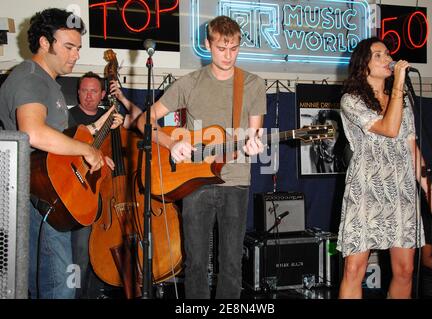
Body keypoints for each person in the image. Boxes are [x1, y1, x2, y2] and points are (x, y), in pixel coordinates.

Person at [135, 15, 266, 299]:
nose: (228, 55)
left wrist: (253, 145)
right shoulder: (190, 83)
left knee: (231, 264)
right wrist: (170, 143)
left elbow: (254, 135)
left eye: (233, 48)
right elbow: (145, 121)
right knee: (195, 263)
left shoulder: (253, 84)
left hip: (235, 180)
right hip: (194, 181)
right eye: (221, 48)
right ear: (207, 44)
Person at [0, 8, 119, 299]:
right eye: (68, 47)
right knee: (60, 287)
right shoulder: (31, 78)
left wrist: (96, 140)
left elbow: (60, 145)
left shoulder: (49, 84)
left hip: (50, 196)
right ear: (44, 42)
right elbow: (35, 133)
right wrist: (87, 150)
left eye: (78, 48)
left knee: (49, 284)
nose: (76, 55)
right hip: (34, 198)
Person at [336, 37, 432, 299]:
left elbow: (411, 148)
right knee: (354, 269)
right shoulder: (351, 100)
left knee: (405, 269)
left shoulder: (403, 101)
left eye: (388, 54)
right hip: (366, 190)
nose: (388, 59)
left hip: (402, 190)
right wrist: (398, 83)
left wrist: (428, 190)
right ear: (363, 65)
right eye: (379, 55)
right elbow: (389, 128)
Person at [69, 71, 125, 299]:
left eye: (94, 91)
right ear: (78, 93)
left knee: (103, 250)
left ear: (103, 94)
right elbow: (70, 151)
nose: (89, 96)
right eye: (84, 91)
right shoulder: (70, 118)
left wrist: (120, 126)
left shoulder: (110, 116)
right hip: (81, 195)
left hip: (108, 196)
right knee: (80, 252)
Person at [311, 109, 349, 173]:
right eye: (329, 130)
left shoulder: (344, 152)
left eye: (337, 131)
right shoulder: (314, 152)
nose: (333, 136)